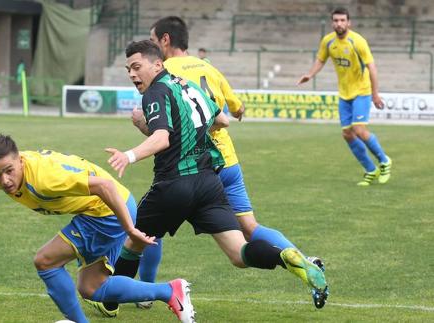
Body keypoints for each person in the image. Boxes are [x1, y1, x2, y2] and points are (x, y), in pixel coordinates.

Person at [97, 40, 327, 318]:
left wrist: (129, 154)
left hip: (174, 184)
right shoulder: (187, 86)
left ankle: (109, 301)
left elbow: (162, 137)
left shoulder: (155, 93)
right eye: (128, 69)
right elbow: (223, 120)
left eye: (137, 67)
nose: (132, 74)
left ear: (157, 64)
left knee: (134, 241)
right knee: (239, 254)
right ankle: (283, 256)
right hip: (208, 183)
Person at [0, 134, 196, 323]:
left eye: (9, 171)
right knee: (91, 288)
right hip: (106, 210)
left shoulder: (44, 177)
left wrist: (129, 228)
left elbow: (104, 185)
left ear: (20, 161)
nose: (3, 180)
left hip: (105, 212)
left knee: (45, 260)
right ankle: (169, 291)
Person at [297, 7, 392, 186]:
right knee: (347, 134)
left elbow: (372, 67)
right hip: (344, 94)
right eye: (336, 20)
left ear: (349, 22)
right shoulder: (328, 41)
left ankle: (384, 160)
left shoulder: (357, 41)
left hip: (361, 91)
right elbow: (321, 59)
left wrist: (375, 94)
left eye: (342, 20)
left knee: (359, 130)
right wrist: (310, 75)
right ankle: (370, 170)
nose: (339, 24)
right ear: (332, 22)